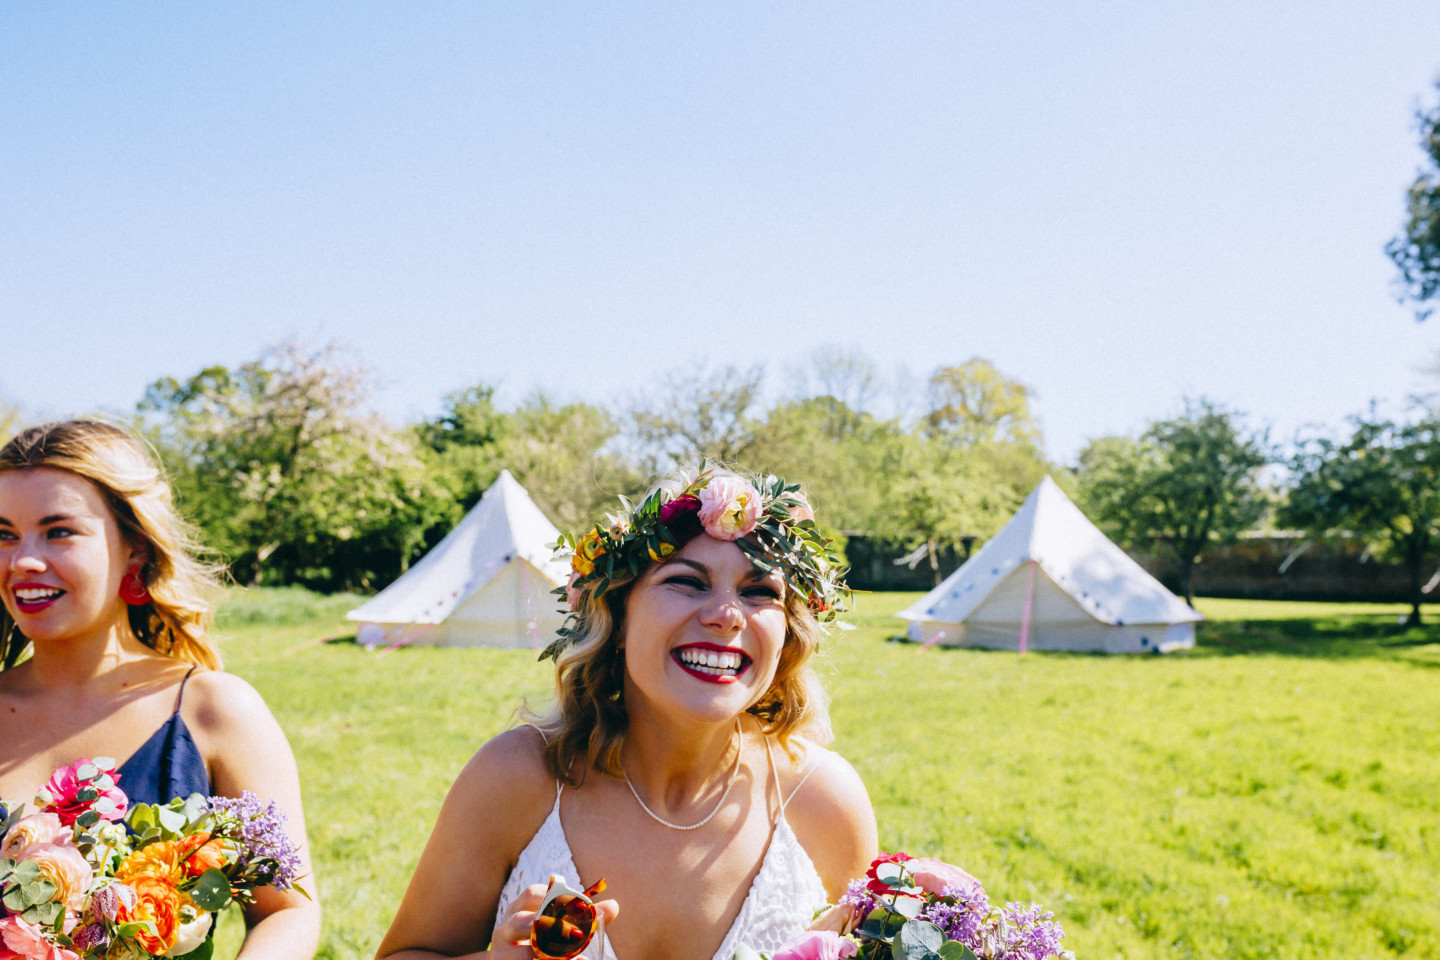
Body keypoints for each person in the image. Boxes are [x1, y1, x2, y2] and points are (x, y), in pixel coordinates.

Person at [377, 468, 878, 960]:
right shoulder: (515, 778)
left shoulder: (827, 804)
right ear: (617, 616)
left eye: (759, 591)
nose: (727, 613)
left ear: (787, 633)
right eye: (686, 581)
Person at [0, 419, 321, 960]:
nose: (22, 559)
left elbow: (288, 911)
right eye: (3, 533)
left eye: (59, 531)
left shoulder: (217, 712)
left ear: (136, 549)